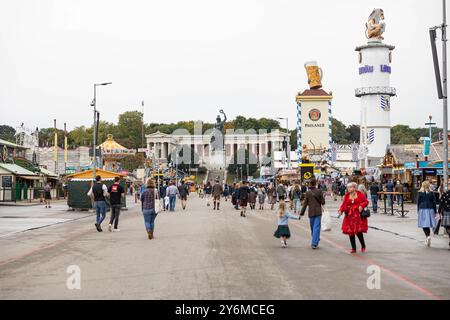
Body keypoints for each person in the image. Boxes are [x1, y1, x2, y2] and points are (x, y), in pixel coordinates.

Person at [338, 182, 369, 253]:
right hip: (349, 216)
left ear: (354, 188)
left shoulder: (360, 194)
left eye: (350, 187)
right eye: (348, 187)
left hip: (358, 216)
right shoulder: (346, 196)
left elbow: (366, 202)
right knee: (350, 232)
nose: (348, 189)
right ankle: (353, 248)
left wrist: (361, 205)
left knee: (359, 232)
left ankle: (363, 245)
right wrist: (340, 210)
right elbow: (343, 205)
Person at [300, 178, 325, 249]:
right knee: (316, 227)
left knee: (313, 228)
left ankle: (314, 242)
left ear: (310, 184)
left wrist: (301, 213)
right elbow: (323, 202)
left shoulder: (307, 193)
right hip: (318, 212)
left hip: (311, 212)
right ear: (316, 183)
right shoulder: (320, 191)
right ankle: (315, 239)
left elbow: (305, 204)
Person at [417, 181, 437, 247]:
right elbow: (434, 202)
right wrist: (435, 211)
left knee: (424, 224)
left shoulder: (420, 193)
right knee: (428, 224)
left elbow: (418, 202)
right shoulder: (431, 193)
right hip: (430, 209)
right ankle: (427, 237)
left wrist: (418, 210)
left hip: (422, 209)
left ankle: (427, 236)